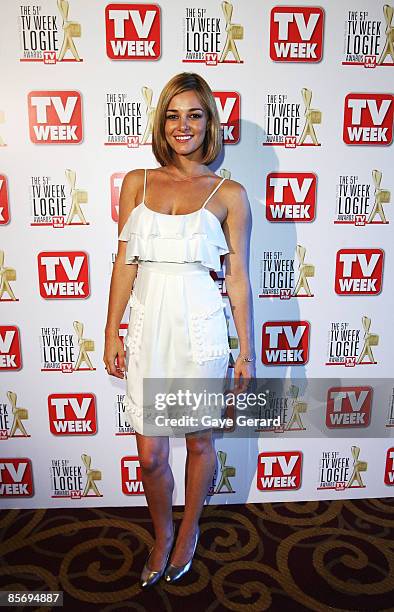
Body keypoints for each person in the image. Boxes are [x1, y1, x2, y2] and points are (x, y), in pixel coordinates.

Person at [103, 72, 255, 588]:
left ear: (209, 122)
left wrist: (245, 352)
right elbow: (124, 264)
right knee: (149, 456)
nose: (183, 125)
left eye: (194, 114)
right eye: (173, 114)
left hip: (200, 331)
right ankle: (161, 532)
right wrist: (110, 333)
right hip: (148, 328)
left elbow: (237, 279)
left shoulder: (229, 193)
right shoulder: (137, 183)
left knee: (198, 441)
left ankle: (188, 529)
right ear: (161, 123)